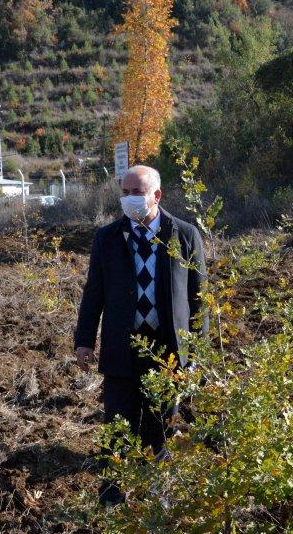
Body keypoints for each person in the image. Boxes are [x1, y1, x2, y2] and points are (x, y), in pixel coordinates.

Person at [74, 165, 207, 506]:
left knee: (160, 426)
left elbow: (199, 298)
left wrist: (197, 352)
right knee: (117, 426)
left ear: (156, 195)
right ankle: (112, 501)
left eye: (137, 192)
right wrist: (84, 340)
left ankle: (156, 500)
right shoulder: (107, 238)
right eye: (125, 192)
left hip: (168, 351)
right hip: (122, 348)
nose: (129, 198)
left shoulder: (185, 235)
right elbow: (94, 292)